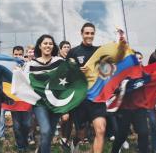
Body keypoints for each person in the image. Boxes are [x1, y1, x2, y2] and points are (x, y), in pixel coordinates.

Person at [67, 22, 106, 153]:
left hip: (97, 97)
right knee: (81, 133)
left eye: (92, 33)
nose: (89, 35)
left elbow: (109, 65)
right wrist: (77, 72)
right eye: (87, 33)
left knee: (100, 130)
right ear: (82, 34)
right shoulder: (73, 52)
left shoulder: (99, 51)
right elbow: (66, 75)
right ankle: (75, 142)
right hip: (80, 98)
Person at [24, 34, 62, 153]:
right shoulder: (31, 64)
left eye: (50, 43)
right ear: (39, 46)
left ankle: (40, 150)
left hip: (56, 103)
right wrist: (17, 73)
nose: (48, 46)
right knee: (45, 130)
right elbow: (24, 81)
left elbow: (68, 79)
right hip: (40, 103)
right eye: (45, 43)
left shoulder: (60, 62)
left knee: (49, 133)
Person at [1, 45, 33, 152]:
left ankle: (25, 141)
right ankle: (20, 146)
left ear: (23, 54)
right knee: (17, 125)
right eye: (16, 54)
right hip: (14, 100)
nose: (18, 56)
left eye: (20, 54)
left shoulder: (28, 65)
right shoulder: (8, 67)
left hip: (27, 100)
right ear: (12, 54)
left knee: (27, 124)